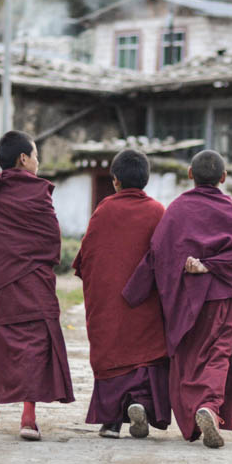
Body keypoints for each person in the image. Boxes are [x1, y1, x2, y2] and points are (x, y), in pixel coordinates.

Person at [123, 150, 232, 449]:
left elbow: (158, 253)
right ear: (224, 177)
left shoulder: (177, 209)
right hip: (221, 299)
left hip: (185, 302)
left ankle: (195, 410)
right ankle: (208, 406)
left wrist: (133, 292)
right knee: (218, 355)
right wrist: (210, 265)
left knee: (189, 358)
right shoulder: (228, 207)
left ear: (190, 174)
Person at [0, 130, 74, 441]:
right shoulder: (36, 192)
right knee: (33, 343)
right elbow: (50, 239)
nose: (39, 163)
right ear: (23, 159)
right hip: (30, 279)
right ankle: (28, 417)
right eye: (36, 156)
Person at [72, 149, 170, 439]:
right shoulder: (157, 211)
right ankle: (139, 403)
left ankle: (112, 422)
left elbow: (87, 257)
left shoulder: (104, 209)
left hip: (111, 305)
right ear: (147, 180)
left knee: (113, 353)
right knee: (145, 354)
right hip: (145, 304)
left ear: (115, 181)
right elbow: (166, 259)